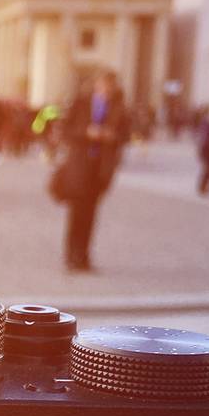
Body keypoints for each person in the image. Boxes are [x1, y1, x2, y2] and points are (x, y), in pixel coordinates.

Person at [58, 70, 130, 273]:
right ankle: (71, 254)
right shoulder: (81, 102)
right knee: (76, 212)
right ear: (97, 84)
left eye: (110, 85)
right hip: (79, 166)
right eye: (103, 84)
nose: (106, 89)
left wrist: (111, 136)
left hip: (100, 168)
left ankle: (85, 255)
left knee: (90, 213)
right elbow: (66, 130)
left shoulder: (119, 108)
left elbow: (124, 136)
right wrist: (86, 132)